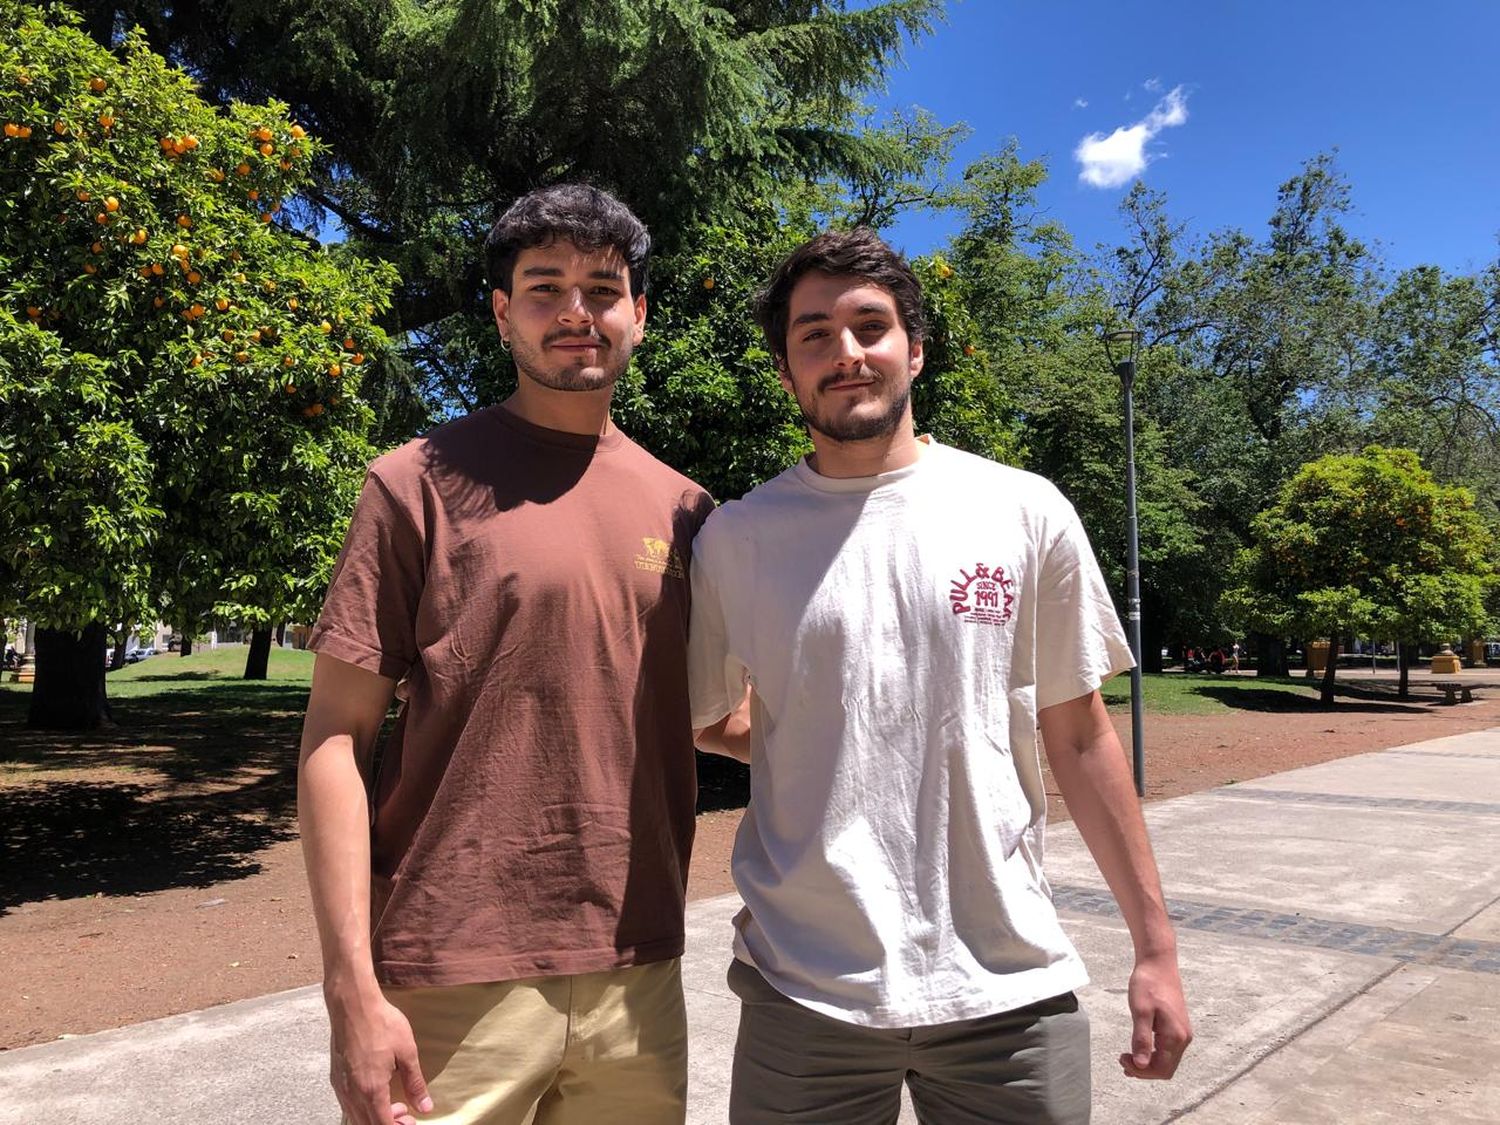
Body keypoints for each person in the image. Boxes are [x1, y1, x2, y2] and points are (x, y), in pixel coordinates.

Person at [690, 228, 1191, 1123]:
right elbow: (707, 716)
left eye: (870, 326)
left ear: (914, 350)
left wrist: (1155, 947)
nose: (845, 352)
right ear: (785, 371)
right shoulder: (736, 538)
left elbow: (1079, 736)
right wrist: (813, 739)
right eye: (814, 335)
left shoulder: (1022, 508)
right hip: (805, 990)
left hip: (1006, 983)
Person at [298, 183, 714, 1125]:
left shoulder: (689, 510)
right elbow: (334, 739)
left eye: (603, 288)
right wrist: (350, 990)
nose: (577, 311)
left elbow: (712, 714)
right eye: (544, 286)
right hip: (450, 963)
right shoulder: (414, 483)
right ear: (501, 312)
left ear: (639, 314)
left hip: (636, 968)